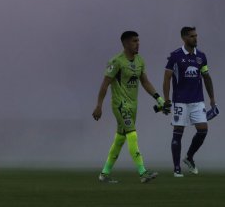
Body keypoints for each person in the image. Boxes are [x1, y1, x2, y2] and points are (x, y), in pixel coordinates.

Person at [92, 30, 165, 183]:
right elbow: (105, 85)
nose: (138, 44)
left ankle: (104, 174)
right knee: (132, 134)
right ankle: (142, 172)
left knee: (119, 139)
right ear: (125, 43)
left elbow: (145, 82)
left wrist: (159, 99)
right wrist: (99, 105)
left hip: (133, 106)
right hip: (120, 105)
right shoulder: (116, 61)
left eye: (138, 40)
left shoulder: (140, 61)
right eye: (134, 41)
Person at [163, 26, 217, 177]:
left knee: (203, 130)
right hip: (180, 101)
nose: (196, 39)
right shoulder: (175, 56)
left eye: (196, 36)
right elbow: (167, 78)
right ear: (184, 38)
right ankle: (176, 168)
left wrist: (212, 98)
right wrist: (166, 99)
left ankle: (189, 157)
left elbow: (206, 77)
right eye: (192, 36)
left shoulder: (201, 56)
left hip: (197, 101)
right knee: (178, 132)